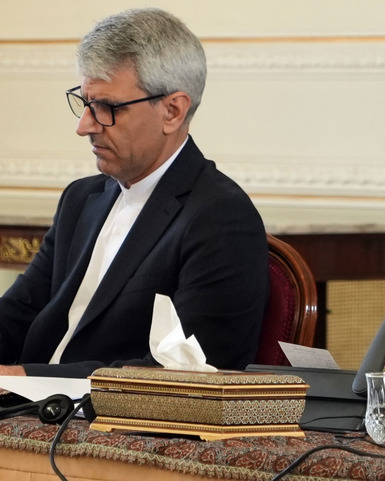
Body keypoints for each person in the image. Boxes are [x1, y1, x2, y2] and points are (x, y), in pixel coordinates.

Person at [0, 8, 268, 378]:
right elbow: (18, 314)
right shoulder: (81, 199)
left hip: (103, 412)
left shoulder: (220, 217)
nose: (84, 126)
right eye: (85, 103)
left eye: (107, 108)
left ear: (172, 111)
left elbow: (186, 373)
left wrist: (28, 378)